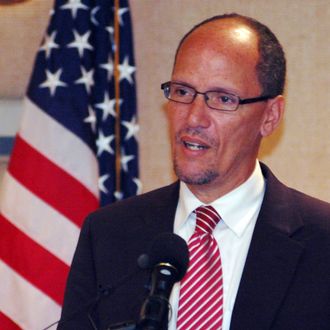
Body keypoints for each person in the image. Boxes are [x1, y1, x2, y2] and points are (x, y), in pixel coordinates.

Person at [58, 13, 330, 330]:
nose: (194, 118)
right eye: (183, 92)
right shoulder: (107, 233)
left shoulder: (322, 243)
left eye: (222, 99)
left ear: (270, 116)